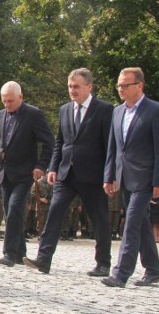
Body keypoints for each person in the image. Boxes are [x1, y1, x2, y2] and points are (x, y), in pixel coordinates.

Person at [23, 68, 113, 276]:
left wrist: (110, 175)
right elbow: (60, 142)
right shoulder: (65, 110)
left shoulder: (104, 109)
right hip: (66, 173)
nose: (72, 90)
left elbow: (110, 146)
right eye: (70, 86)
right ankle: (43, 259)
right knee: (54, 214)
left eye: (76, 87)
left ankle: (103, 264)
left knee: (99, 219)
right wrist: (53, 167)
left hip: (93, 175)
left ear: (89, 87)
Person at [102, 67, 159, 287]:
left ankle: (120, 273)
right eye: (119, 85)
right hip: (125, 178)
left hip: (145, 179)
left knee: (131, 223)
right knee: (141, 224)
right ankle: (153, 270)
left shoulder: (156, 111)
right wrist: (109, 175)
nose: (120, 89)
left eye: (125, 85)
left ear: (139, 86)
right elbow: (113, 148)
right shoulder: (117, 112)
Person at [0, 81, 55, 267]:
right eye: (4, 101)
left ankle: (9, 253)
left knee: (16, 208)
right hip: (4, 173)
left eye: (11, 101)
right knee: (10, 212)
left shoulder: (33, 115)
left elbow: (49, 142)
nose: (7, 105)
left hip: (25, 173)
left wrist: (41, 165)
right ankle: (20, 252)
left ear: (21, 97)